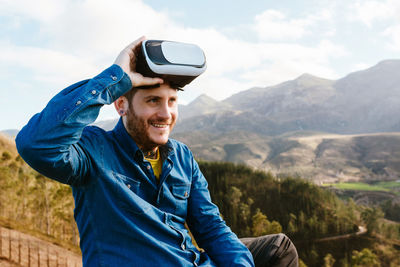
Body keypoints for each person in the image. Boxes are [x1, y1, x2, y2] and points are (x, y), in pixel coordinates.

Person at [16, 36, 298, 266]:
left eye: (172, 101)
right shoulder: (93, 150)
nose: (166, 114)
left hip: (192, 259)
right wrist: (115, 79)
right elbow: (36, 144)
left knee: (278, 248)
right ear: (121, 104)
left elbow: (210, 227)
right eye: (153, 100)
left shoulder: (182, 156)